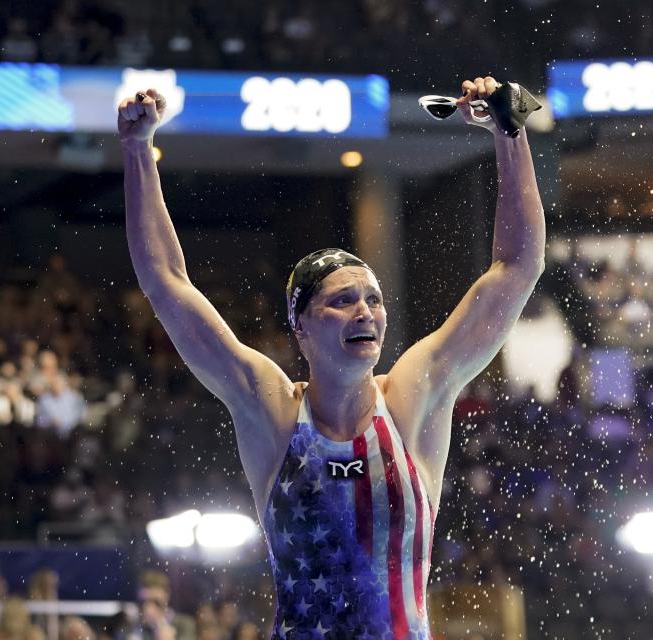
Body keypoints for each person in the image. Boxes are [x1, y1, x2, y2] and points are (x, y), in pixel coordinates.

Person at [118, 75, 544, 637]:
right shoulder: (268, 409)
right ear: (300, 326)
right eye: (341, 302)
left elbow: (517, 268)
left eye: (372, 299)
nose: (364, 312)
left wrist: (508, 131)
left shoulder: (416, 395)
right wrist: (136, 152)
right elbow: (167, 284)